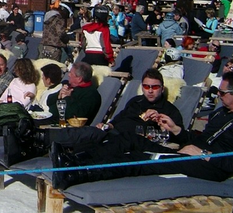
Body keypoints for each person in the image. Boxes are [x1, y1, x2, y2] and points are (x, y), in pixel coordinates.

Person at [50, 71, 233, 190]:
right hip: (193, 152)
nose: (219, 96)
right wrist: (176, 129)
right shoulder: (220, 113)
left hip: (211, 166)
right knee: (130, 138)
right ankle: (75, 161)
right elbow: (198, 139)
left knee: (142, 159)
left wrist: (203, 153)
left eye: (223, 93)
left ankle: (77, 174)